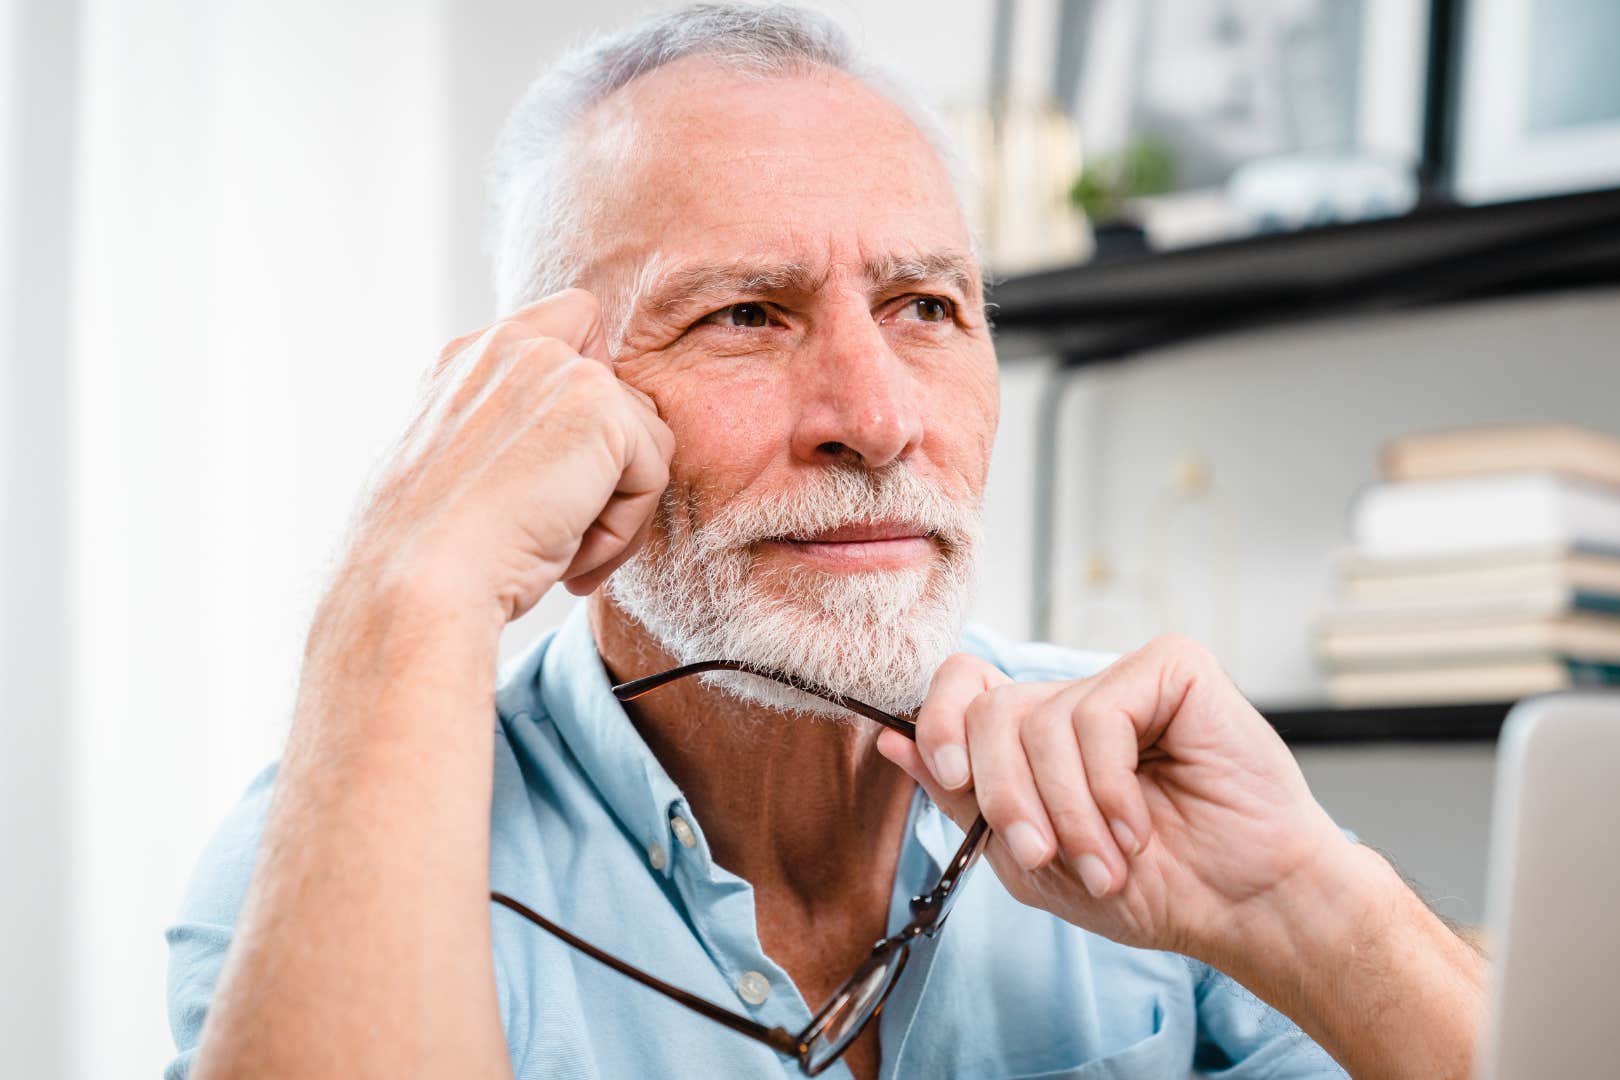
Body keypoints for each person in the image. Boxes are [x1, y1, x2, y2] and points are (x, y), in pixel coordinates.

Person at [165, 6, 1485, 1078]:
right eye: (747, 313)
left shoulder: (1148, 794)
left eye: (925, 305)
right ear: (549, 400)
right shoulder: (325, 861)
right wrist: (407, 588)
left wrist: (1304, 912)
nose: (879, 419)